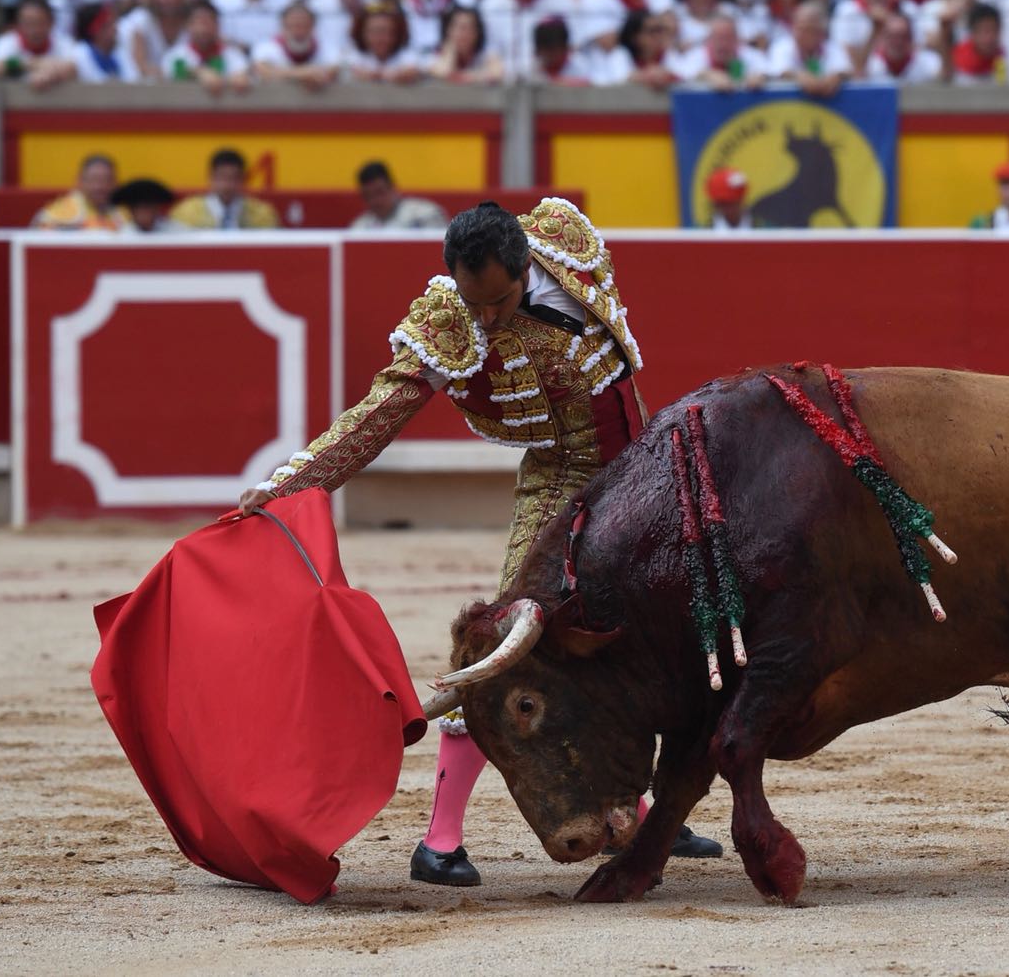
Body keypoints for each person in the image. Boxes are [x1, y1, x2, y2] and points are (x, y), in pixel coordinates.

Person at [237, 200, 724, 887]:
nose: (487, 319)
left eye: (499, 301)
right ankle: (440, 841)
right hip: (563, 483)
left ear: (527, 267)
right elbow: (379, 412)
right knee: (504, 654)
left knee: (646, 644)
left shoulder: (564, 237)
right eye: (475, 303)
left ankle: (649, 810)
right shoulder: (449, 321)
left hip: (641, 476)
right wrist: (291, 483)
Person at [172, 148, 281, 228]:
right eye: (222, 177)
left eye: (234, 178)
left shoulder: (262, 215)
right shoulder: (187, 212)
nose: (228, 185)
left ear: (243, 180)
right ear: (211, 178)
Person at [161, 0, 253, 93]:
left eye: (209, 22)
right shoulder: (175, 55)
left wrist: (237, 78)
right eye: (199, 22)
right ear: (187, 25)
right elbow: (173, 71)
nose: (203, 28)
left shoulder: (232, 55)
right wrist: (199, 72)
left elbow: (241, 74)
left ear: (217, 25)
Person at [0, 0, 79, 90]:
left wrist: (48, 74)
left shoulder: (65, 42)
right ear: (18, 24)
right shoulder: (5, 42)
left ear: (51, 23)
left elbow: (72, 69)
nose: (34, 30)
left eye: (39, 23)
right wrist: (33, 64)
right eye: (28, 23)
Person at [120, 0, 190, 82]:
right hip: (147, 87)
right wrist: (170, 74)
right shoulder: (142, 21)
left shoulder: (191, 22)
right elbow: (140, 66)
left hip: (185, 87)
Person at [766, 1, 851, 96]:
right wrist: (799, 76)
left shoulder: (832, 47)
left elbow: (845, 70)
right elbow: (779, 71)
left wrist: (837, 77)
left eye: (812, 29)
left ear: (822, 30)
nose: (806, 35)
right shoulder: (781, 47)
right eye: (801, 28)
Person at [252, 0, 341, 90]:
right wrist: (305, 74)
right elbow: (263, 72)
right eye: (293, 25)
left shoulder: (326, 46)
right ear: (283, 26)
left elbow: (334, 69)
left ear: (313, 26)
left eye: (304, 25)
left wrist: (318, 76)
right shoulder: (267, 47)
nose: (299, 31)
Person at [668, 13, 770, 86]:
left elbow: (767, 71)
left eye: (728, 38)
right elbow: (682, 75)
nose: (723, 44)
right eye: (718, 38)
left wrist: (759, 77)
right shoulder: (695, 56)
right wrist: (707, 75)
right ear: (708, 39)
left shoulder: (749, 54)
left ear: (737, 39)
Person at [32, 153, 126, 230]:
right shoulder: (59, 212)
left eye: (106, 180)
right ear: (80, 182)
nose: (100, 186)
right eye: (93, 179)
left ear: (116, 183)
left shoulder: (126, 212)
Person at [351, 160, 449, 228]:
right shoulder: (360, 227)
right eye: (368, 196)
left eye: (380, 192)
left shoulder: (425, 215)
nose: (375, 201)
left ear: (393, 188)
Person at [346, 0, 423, 83]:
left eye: (387, 31)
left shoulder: (407, 55)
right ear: (361, 33)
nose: (380, 38)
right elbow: (347, 68)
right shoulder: (354, 54)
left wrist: (398, 75)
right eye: (374, 31)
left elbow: (414, 69)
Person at [426, 5, 506, 83]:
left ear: (477, 32)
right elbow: (441, 72)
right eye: (458, 27)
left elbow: (497, 73)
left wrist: (467, 77)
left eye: (469, 27)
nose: (463, 33)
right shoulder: (438, 51)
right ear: (448, 30)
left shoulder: (486, 53)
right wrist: (450, 52)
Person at [863, 10, 943, 82]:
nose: (897, 42)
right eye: (892, 36)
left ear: (911, 38)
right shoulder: (870, 63)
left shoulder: (927, 61)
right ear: (883, 38)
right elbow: (859, 77)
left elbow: (944, 79)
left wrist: (944, 32)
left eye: (903, 36)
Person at [949, 0, 1004, 83]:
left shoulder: (1004, 58)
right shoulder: (953, 62)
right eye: (985, 31)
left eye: (994, 30)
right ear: (973, 33)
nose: (990, 38)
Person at [72, 2, 129, 82]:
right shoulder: (78, 57)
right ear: (96, 30)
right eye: (109, 24)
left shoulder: (118, 55)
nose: (116, 29)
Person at [530, 16, 594, 83]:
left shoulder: (579, 66)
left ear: (565, 48)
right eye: (545, 50)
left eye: (553, 49)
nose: (550, 55)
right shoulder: (534, 69)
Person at [112, 178, 181, 232]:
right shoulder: (120, 234)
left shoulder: (175, 231)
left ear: (157, 209)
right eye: (139, 208)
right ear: (131, 210)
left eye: (147, 207)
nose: (144, 213)